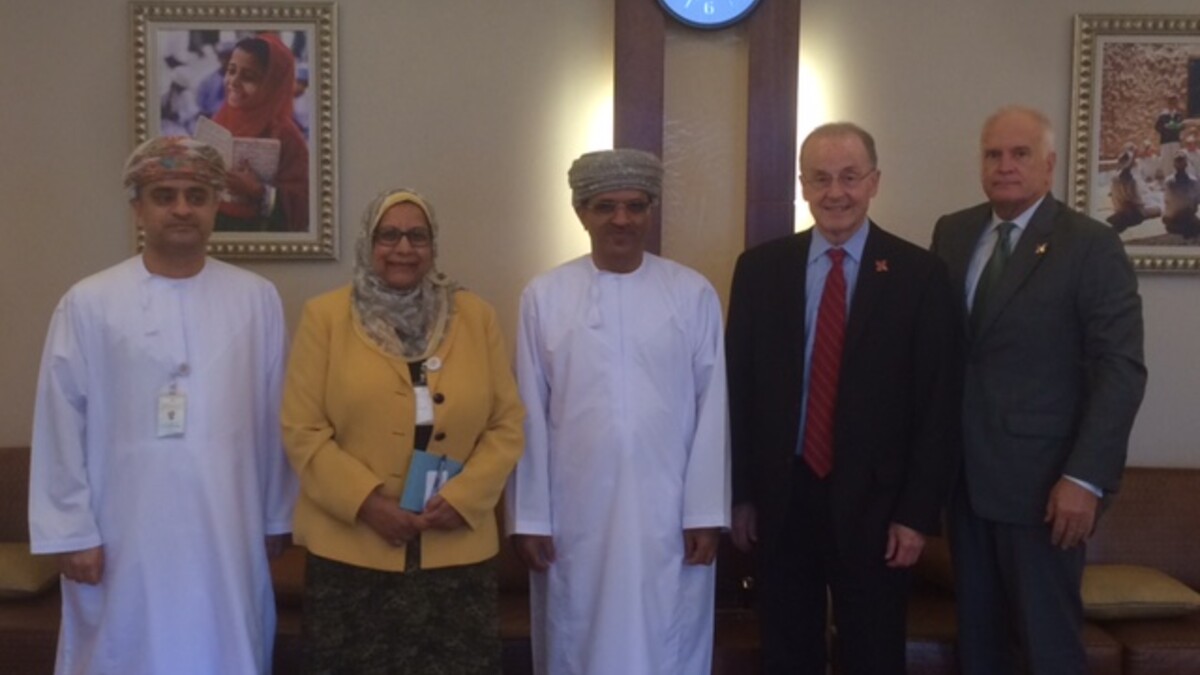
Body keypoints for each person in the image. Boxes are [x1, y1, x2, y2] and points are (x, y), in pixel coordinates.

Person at [29, 136, 297, 675]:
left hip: (229, 526)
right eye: (164, 194)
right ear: (138, 206)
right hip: (121, 532)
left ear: (216, 204)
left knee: (226, 646)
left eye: (196, 195)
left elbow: (276, 415)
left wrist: (275, 514)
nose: (181, 208)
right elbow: (61, 417)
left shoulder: (256, 298)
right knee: (124, 649)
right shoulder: (89, 301)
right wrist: (72, 532)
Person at [726, 123, 961, 674]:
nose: (836, 193)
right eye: (821, 179)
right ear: (802, 187)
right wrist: (739, 494)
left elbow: (938, 406)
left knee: (873, 651)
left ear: (874, 181)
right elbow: (737, 391)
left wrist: (916, 515)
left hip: (879, 506)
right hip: (783, 497)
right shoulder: (760, 270)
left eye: (850, 177)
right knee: (786, 649)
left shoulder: (919, 276)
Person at [931, 106, 1147, 675]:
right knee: (979, 649)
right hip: (966, 483)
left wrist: (1085, 478)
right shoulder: (953, 232)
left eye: (1020, 154)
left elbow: (1120, 368)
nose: (1005, 166)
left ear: (1049, 165)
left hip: (1047, 492)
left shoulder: (1090, 245)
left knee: (1046, 650)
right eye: (993, 154)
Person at [281, 188, 524, 674]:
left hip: (456, 546)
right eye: (388, 235)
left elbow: (507, 423)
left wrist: (465, 497)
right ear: (369, 245)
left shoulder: (474, 317)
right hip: (352, 551)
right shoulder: (325, 317)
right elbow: (302, 429)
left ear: (434, 246)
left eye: (418, 236)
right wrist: (369, 503)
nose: (404, 248)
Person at [505, 149, 729, 675]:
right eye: (605, 206)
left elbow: (712, 409)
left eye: (635, 205)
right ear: (581, 212)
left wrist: (704, 513)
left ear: (652, 211)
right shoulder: (544, 296)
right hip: (575, 516)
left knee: (669, 638)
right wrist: (530, 517)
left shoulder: (691, 293)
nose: (622, 219)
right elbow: (528, 414)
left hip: (668, 518)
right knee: (576, 634)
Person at [210, 33, 308, 232]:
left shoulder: (288, 137)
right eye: (231, 70)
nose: (234, 82)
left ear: (272, 85)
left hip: (256, 235)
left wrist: (259, 192)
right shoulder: (222, 118)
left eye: (248, 77)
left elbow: (302, 207)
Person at [1106, 147, 1160, 233]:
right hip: (1135, 212)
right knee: (1159, 207)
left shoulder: (1114, 178)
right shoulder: (1131, 181)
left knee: (1153, 198)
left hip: (1118, 208)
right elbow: (1138, 202)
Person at [1162, 151, 1200, 239]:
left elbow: (1166, 200)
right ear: (1186, 165)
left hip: (1172, 217)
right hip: (1189, 216)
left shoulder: (1168, 182)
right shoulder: (1193, 181)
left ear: (1174, 166)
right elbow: (1197, 201)